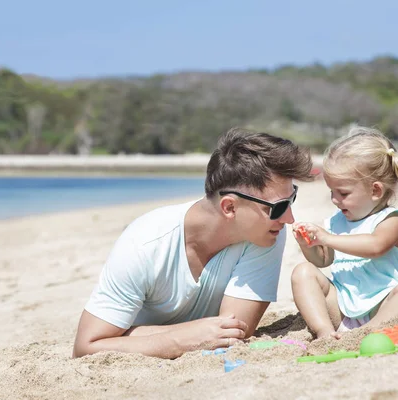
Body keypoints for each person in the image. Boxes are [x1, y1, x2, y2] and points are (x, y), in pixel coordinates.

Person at [72, 127, 315, 359]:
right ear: (229, 207)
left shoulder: (266, 233)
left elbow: (232, 332)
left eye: (291, 199)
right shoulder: (145, 244)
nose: (289, 218)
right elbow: (85, 347)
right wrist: (179, 340)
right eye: (278, 207)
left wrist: (133, 335)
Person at [290, 126, 398, 339]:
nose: (334, 200)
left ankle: (369, 331)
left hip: (384, 305)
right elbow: (323, 260)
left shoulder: (392, 219)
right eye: (331, 192)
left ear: (375, 190)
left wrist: (326, 237)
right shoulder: (337, 222)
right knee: (302, 272)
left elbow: (375, 246)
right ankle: (324, 331)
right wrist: (308, 244)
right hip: (342, 305)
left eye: (343, 193)